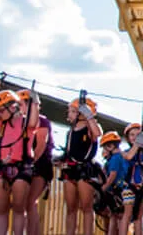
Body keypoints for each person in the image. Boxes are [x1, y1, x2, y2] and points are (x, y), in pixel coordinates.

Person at [0, 88, 35, 235]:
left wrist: (34, 101)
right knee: (2, 208)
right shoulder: (1, 124)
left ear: (12, 107)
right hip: (2, 167)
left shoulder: (25, 124)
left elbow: (33, 121)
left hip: (21, 167)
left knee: (19, 208)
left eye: (1, 110)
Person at [58, 96, 104, 235]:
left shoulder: (91, 128)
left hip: (85, 170)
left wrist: (89, 116)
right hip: (70, 169)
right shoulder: (71, 131)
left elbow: (97, 134)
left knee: (86, 207)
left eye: (72, 111)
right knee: (71, 208)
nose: (69, 114)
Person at [18, 90, 55, 235]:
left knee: (30, 201)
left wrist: (32, 163)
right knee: (25, 202)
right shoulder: (19, 123)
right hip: (26, 163)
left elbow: (41, 144)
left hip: (40, 164)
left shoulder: (42, 121)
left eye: (20, 104)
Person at [99, 132, 134, 235]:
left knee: (116, 216)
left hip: (117, 190)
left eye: (104, 147)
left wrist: (102, 189)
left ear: (110, 146)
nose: (103, 151)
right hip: (123, 188)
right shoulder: (119, 157)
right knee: (115, 216)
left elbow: (112, 176)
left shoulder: (115, 158)